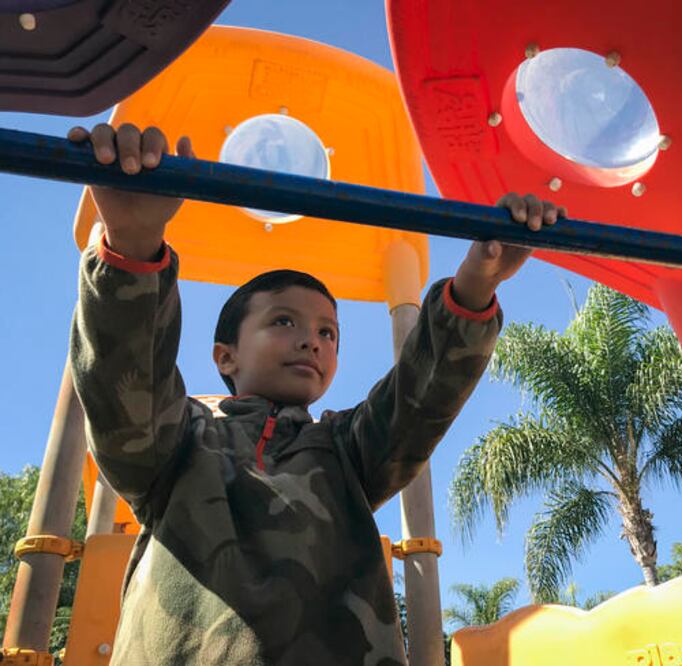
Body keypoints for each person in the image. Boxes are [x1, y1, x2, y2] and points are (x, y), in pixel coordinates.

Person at [68, 123, 565, 665]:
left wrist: (475, 286)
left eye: (328, 332)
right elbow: (125, 386)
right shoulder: (180, 443)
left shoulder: (346, 452)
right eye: (284, 321)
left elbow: (417, 403)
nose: (312, 338)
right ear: (225, 356)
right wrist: (133, 246)